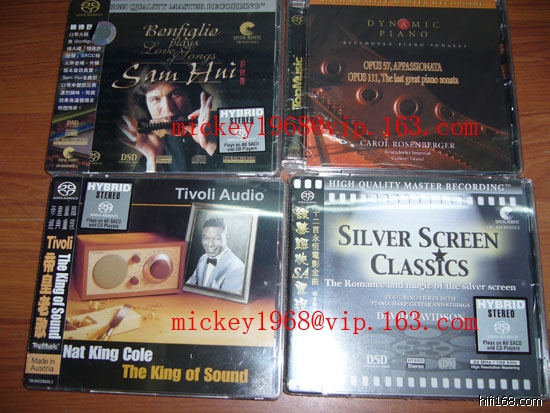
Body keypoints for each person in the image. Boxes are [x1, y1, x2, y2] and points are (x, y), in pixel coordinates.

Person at [119, 74, 216, 172]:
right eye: (156, 99)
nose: (168, 108)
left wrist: (210, 145)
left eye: (175, 94)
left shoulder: (221, 129)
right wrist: (153, 160)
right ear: (146, 106)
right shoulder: (152, 150)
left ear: (189, 95)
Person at [186, 217, 245, 294]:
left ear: (226, 238)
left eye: (217, 238)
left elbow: (227, 300)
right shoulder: (203, 259)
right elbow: (188, 287)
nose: (210, 244)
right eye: (206, 238)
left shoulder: (237, 268)